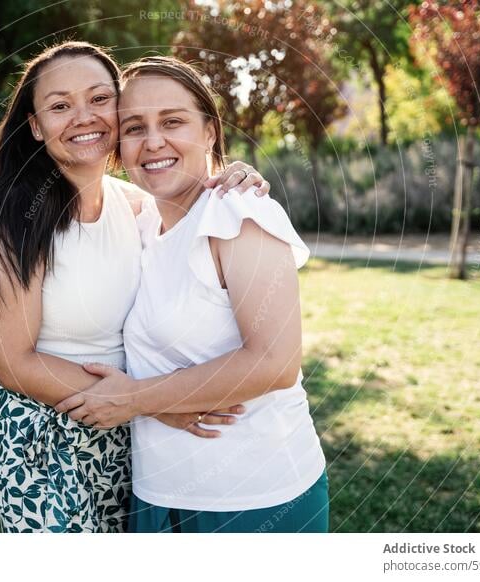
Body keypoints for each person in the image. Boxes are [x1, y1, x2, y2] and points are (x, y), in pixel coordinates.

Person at [0, 42, 269, 533]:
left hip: (134, 430)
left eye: (98, 99)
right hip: (46, 433)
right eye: (60, 106)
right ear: (35, 125)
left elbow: (198, 194)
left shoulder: (137, 204)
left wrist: (235, 174)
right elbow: (12, 362)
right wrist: (146, 402)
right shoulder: (14, 216)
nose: (83, 117)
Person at [55, 56, 329, 533]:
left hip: (255, 496)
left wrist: (137, 399)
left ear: (209, 132)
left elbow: (275, 363)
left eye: (173, 121)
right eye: (135, 127)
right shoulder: (137, 222)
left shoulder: (237, 213)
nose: (153, 141)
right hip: (157, 491)